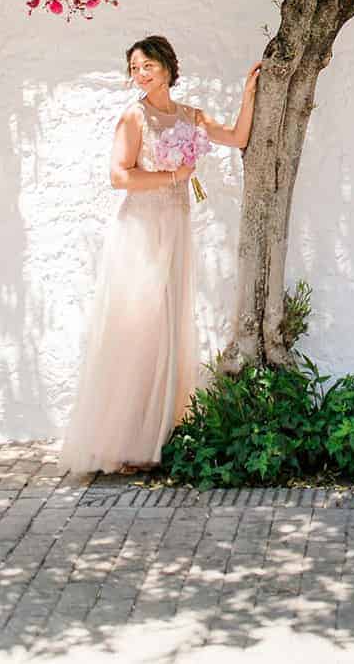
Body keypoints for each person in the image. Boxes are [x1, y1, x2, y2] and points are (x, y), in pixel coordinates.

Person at [61, 35, 261, 475]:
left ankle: (158, 433)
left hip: (175, 229)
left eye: (147, 65)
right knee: (139, 327)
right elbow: (119, 176)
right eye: (134, 68)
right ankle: (124, 441)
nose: (141, 74)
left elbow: (237, 136)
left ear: (168, 67)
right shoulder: (134, 117)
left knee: (167, 327)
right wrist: (171, 176)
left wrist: (248, 94)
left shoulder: (190, 115)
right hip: (141, 231)